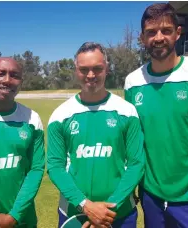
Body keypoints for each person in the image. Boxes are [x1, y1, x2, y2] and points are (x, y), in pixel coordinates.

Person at [124, 3, 188, 228]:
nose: (159, 37)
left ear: (178, 33)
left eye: (166, 30)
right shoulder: (132, 82)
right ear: (142, 38)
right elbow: (132, 144)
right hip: (152, 200)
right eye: (151, 32)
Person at [47, 42, 145, 228]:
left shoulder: (126, 111)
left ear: (106, 69)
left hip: (120, 214)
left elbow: (136, 164)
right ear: (76, 70)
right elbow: (55, 167)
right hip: (74, 214)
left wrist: (107, 209)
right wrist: (86, 206)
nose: (90, 75)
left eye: (97, 69)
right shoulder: (60, 115)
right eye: (84, 69)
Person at [0, 57, 45, 228]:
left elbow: (36, 170)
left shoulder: (32, 119)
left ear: (20, 82)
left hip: (22, 220)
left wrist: (13, 216)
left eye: (14, 75)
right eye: (1, 74)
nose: (7, 80)